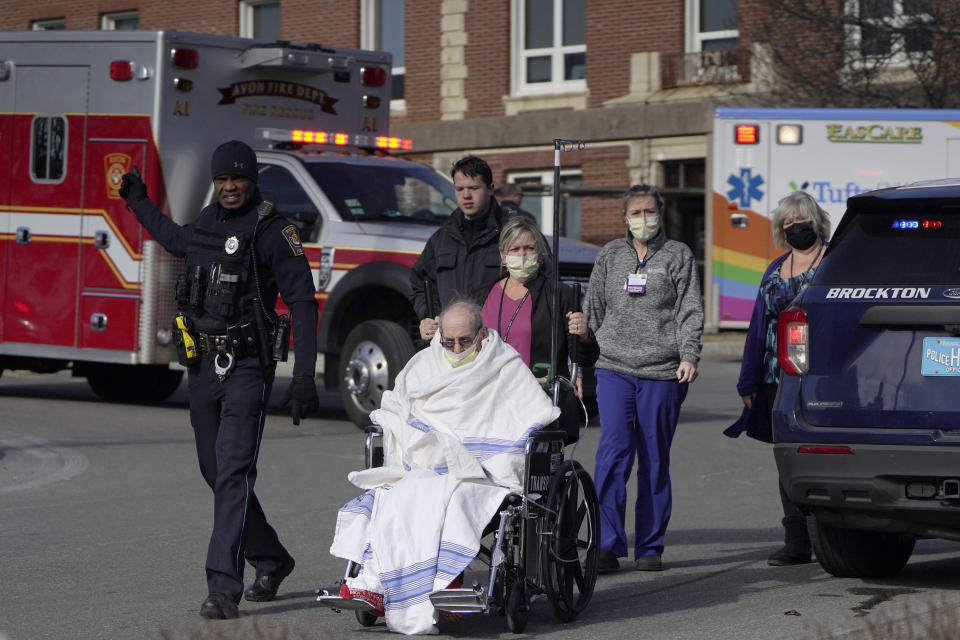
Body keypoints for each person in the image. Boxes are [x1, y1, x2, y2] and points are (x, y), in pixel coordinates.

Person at [118, 140, 320, 619]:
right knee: (215, 472)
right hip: (202, 367)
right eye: (222, 180)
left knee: (232, 473)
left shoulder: (274, 230)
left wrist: (305, 378)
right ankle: (271, 559)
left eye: (239, 179)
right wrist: (137, 200)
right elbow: (173, 239)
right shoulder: (209, 221)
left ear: (253, 180)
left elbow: (303, 302)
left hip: (248, 369)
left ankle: (222, 588)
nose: (230, 187)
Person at [329, 299, 560, 634]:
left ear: (482, 333)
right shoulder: (424, 362)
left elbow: (531, 414)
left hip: (482, 471)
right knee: (392, 496)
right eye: (447, 341)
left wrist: (472, 454)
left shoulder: (505, 364)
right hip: (427, 462)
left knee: (447, 497)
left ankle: (445, 583)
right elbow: (398, 407)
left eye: (464, 341)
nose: (454, 348)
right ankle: (373, 586)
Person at [584, 184, 703, 573]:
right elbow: (593, 311)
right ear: (624, 218)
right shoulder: (610, 255)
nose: (643, 219)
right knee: (613, 453)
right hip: (613, 367)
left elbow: (689, 310)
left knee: (654, 458)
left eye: (649, 211)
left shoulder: (678, 255)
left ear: (661, 212)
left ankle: (650, 546)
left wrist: (688, 355)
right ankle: (606, 542)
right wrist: (582, 366)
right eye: (636, 212)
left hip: (662, 372)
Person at [726, 190, 830, 566]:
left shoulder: (835, 261)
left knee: (823, 457)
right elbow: (758, 326)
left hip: (822, 377)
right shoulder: (775, 268)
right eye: (787, 222)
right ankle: (796, 540)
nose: (795, 226)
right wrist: (748, 381)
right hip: (777, 377)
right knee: (788, 459)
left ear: (816, 221)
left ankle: (831, 536)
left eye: (801, 219)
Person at [476, 215, 598, 434]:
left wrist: (585, 335)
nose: (522, 256)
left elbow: (586, 357)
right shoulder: (484, 294)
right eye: (514, 250)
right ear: (503, 256)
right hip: (491, 398)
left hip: (539, 400)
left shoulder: (559, 295)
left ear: (540, 254)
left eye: (529, 248)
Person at [410, 155, 505, 343]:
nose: (466, 195)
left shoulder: (512, 234)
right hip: (453, 343)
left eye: (474, 188)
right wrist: (429, 316)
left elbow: (540, 287)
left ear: (491, 189)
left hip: (497, 341)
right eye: (459, 189)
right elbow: (419, 285)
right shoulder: (442, 239)